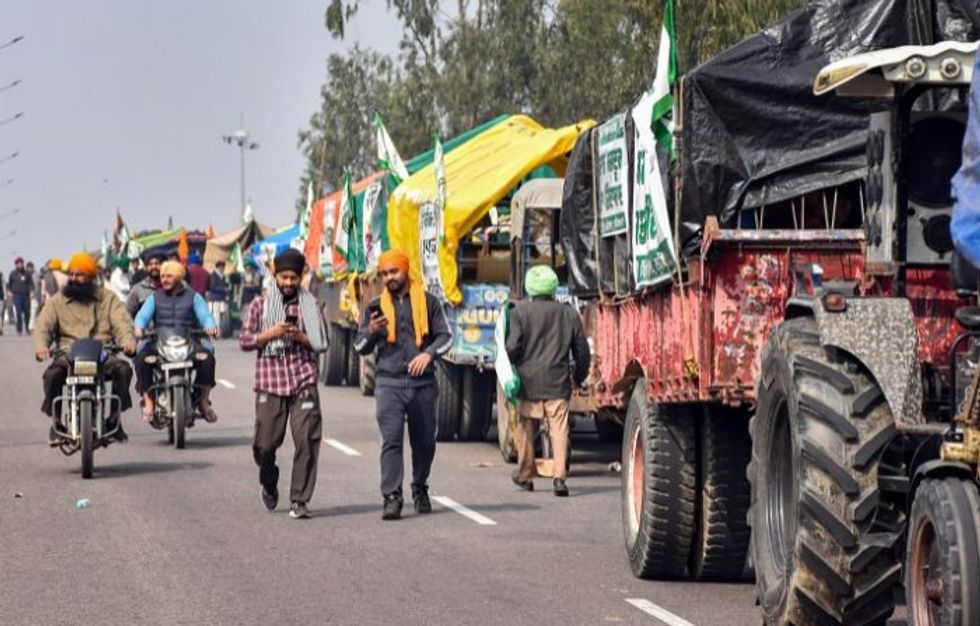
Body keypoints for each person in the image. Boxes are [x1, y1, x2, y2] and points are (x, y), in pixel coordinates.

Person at [353, 249, 453, 520]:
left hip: (423, 384)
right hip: (389, 383)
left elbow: (446, 337)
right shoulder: (375, 306)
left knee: (424, 442)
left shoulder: (428, 302)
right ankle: (392, 497)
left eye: (393, 272)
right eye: (385, 273)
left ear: (405, 270)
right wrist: (372, 331)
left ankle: (419, 486)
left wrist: (428, 354)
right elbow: (360, 346)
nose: (389, 277)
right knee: (391, 441)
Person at [239, 249, 329, 520]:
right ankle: (269, 480)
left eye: (293, 278)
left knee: (307, 440)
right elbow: (245, 341)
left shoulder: (310, 305)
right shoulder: (260, 305)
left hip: (303, 379)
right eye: (284, 277)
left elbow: (323, 343)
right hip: (271, 381)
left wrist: (301, 336)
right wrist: (270, 334)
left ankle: (299, 500)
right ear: (275, 275)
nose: (288, 283)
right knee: (264, 445)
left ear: (301, 277)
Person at [33, 253, 136, 444]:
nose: (73, 278)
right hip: (68, 354)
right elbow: (43, 327)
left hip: (103, 353)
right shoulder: (57, 301)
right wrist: (42, 347)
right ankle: (56, 423)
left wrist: (127, 342)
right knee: (52, 375)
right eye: (71, 274)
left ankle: (114, 419)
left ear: (90, 276)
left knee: (123, 370)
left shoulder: (108, 299)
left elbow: (122, 323)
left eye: (79, 275)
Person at [505, 265, 590, 497]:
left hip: (528, 383)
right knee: (559, 429)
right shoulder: (568, 314)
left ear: (530, 288)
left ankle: (525, 474)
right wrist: (579, 377)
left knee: (525, 428)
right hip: (558, 382)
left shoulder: (520, 312)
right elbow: (582, 351)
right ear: (553, 288)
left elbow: (512, 348)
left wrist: (512, 368)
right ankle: (559, 477)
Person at [133, 260, 220, 423]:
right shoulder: (154, 298)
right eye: (163, 276)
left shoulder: (194, 297)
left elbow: (206, 316)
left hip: (189, 341)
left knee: (208, 359)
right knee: (141, 359)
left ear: (179, 277)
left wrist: (210, 327)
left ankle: (203, 401)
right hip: (159, 342)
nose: (164, 279)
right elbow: (142, 316)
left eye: (169, 276)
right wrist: (139, 327)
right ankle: (149, 402)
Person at [126, 251, 165, 317]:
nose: (154, 266)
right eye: (150, 264)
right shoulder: (138, 289)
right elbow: (127, 314)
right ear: (146, 267)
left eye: (157, 263)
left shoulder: (173, 286)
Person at [6, 257, 35, 335]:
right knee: (18, 312)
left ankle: (27, 328)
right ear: (16, 265)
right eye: (18, 263)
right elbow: (9, 284)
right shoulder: (13, 274)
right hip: (16, 296)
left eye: (21, 263)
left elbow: (31, 284)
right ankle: (19, 330)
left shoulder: (27, 273)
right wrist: (9, 291)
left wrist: (32, 291)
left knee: (27, 313)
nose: (20, 265)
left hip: (26, 296)